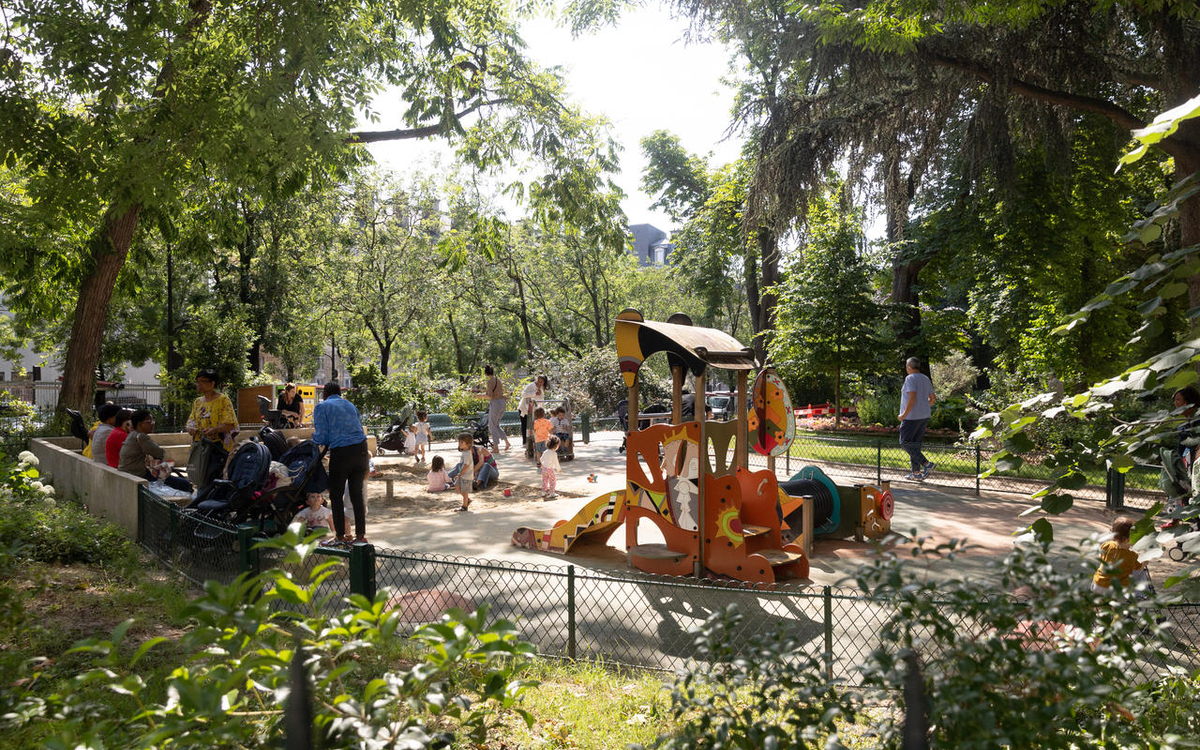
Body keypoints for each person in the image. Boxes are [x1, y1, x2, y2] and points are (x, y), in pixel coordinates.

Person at [313, 381, 370, 543]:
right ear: (340, 394)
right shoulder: (350, 405)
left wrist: (313, 439)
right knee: (356, 494)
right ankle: (360, 535)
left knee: (336, 495)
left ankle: (340, 536)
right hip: (361, 450)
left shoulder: (322, 407)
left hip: (342, 453)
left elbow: (322, 437)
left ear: (324, 395)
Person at [118, 409, 193, 493]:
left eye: (153, 421)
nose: (153, 424)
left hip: (129, 473)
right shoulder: (141, 437)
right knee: (185, 484)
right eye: (149, 422)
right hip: (138, 475)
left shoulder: (132, 435)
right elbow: (160, 453)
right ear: (139, 424)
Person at [898, 357, 936, 481]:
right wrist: (923, 407)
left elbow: (912, 397)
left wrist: (904, 415)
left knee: (905, 442)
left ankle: (927, 464)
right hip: (924, 416)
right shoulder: (925, 378)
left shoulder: (910, 378)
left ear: (909, 366)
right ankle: (916, 473)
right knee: (915, 445)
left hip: (911, 417)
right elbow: (932, 399)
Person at [1092, 516, 1148, 594]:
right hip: (1118, 589)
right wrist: (1146, 558)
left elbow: (1100, 556)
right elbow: (1140, 567)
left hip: (1099, 583)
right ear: (1127, 540)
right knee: (1116, 604)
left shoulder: (1107, 545)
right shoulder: (1132, 556)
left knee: (1100, 603)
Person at [186, 369, 238, 451]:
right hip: (200, 447)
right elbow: (191, 422)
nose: (198, 384)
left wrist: (215, 430)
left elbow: (231, 424)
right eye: (197, 382)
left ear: (212, 383)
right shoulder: (197, 402)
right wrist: (190, 428)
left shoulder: (223, 400)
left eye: (202, 381)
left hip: (219, 447)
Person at [484, 366, 511, 451]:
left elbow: (490, 396)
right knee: (496, 425)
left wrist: (480, 396)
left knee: (492, 426)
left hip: (495, 404)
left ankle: (496, 447)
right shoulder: (498, 380)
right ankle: (507, 442)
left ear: (486, 373)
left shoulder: (489, 382)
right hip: (502, 403)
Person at [517, 375, 548, 446]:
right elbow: (523, 394)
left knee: (534, 426)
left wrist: (542, 411)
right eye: (538, 381)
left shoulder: (542, 388)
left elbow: (541, 399)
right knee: (525, 425)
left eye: (541, 382)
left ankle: (534, 441)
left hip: (534, 409)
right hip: (525, 408)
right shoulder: (531, 385)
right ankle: (525, 442)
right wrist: (534, 393)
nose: (539, 383)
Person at [453, 432, 475, 512]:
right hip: (462, 474)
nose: (460, 444)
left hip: (466, 475)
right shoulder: (464, 452)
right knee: (457, 486)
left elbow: (466, 465)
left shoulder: (467, 453)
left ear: (468, 444)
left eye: (462, 442)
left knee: (464, 491)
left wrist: (460, 474)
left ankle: (464, 506)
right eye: (459, 442)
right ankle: (467, 499)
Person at [541, 436, 561, 500]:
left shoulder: (545, 451)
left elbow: (541, 459)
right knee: (552, 481)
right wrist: (559, 469)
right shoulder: (554, 453)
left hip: (544, 469)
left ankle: (543, 492)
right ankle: (552, 492)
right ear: (556, 445)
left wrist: (543, 465)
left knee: (545, 480)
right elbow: (556, 462)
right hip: (550, 469)